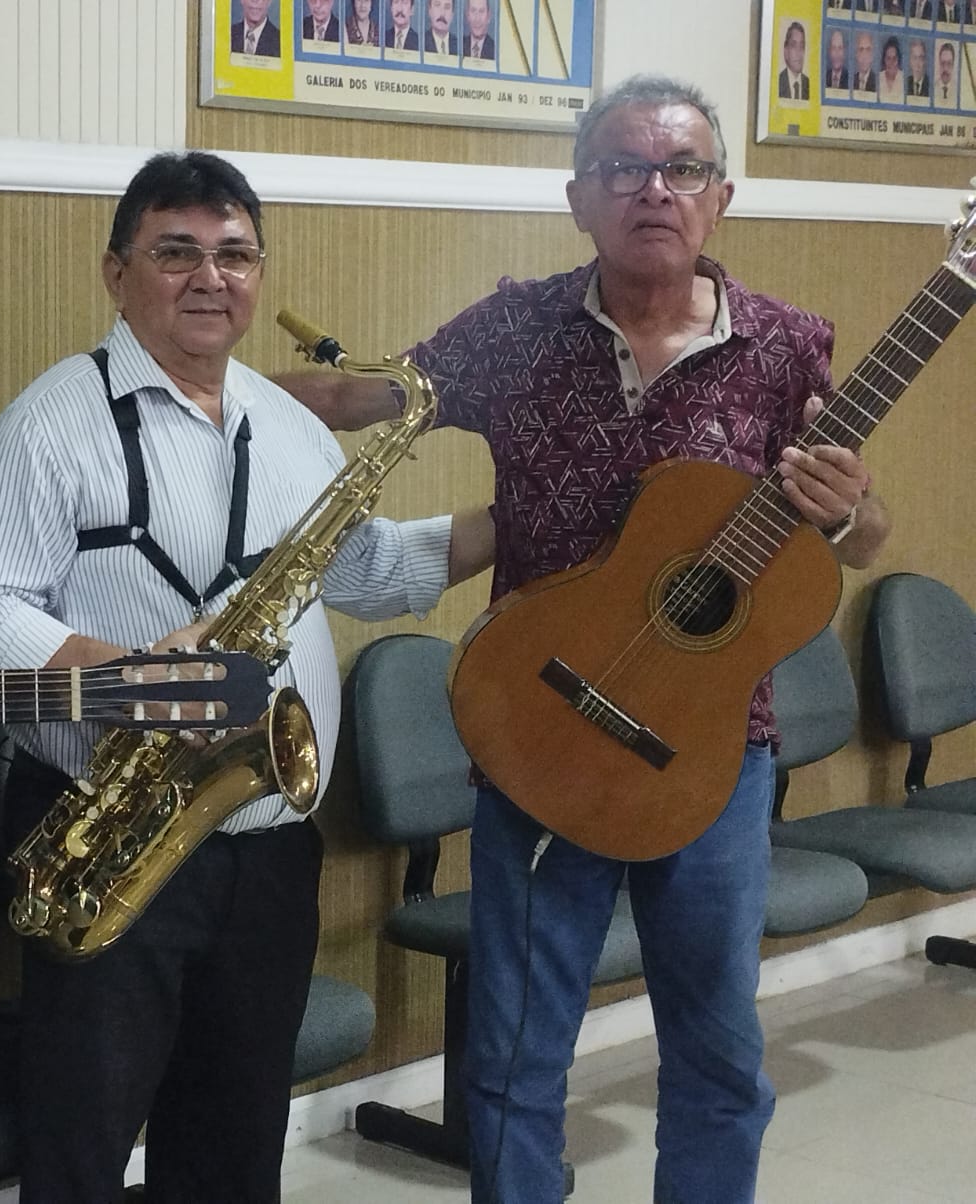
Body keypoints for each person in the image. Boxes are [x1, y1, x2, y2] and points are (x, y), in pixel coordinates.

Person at [280, 75, 890, 1204]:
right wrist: (203, 389)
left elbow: (857, 538)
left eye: (682, 169)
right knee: (513, 1055)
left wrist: (852, 513)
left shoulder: (787, 347)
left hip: (712, 753)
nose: (654, 190)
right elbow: (370, 399)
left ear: (721, 196)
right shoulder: (513, 328)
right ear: (577, 197)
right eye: (623, 168)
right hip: (542, 731)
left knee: (718, 1053)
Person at [0, 150, 491, 1204]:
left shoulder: (289, 424)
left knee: (235, 1147)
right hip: (110, 823)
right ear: (117, 273)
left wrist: (517, 525)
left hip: (268, 844)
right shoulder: (48, 423)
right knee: (82, 1146)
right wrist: (127, 675)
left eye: (235, 255)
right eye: (176, 252)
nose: (210, 277)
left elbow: (363, 570)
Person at [779, 21, 811, 99]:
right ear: (786, 51)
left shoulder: (809, 84)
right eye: (794, 46)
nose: (798, 52)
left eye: (802, 46)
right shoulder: (777, 82)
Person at [880, 35, 907, 99]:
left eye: (894, 58)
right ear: (884, 59)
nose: (891, 62)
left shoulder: (904, 79)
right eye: (888, 58)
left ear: (898, 60)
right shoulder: (878, 78)